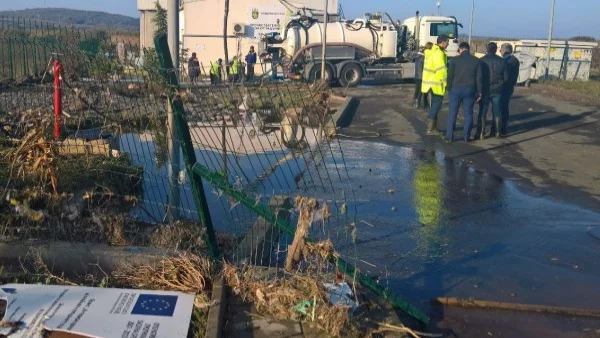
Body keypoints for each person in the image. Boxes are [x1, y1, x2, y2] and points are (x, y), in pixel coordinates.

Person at [444, 42, 483, 143]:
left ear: (460, 49)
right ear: (468, 49)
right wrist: (479, 93)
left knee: (452, 113)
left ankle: (449, 136)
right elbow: (479, 78)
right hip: (470, 90)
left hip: (455, 89)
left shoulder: (454, 60)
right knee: (468, 114)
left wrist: (449, 88)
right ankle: (466, 136)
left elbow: (450, 76)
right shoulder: (476, 61)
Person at [477, 42, 508, 139]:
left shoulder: (481, 61)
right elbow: (506, 77)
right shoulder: (502, 61)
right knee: (497, 111)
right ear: (495, 50)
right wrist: (501, 84)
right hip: (498, 90)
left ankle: (481, 133)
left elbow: (479, 77)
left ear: (487, 49)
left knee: (483, 111)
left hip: (485, 89)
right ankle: (497, 133)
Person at [422, 35, 449, 135]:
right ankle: (431, 129)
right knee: (436, 106)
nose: (448, 44)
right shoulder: (438, 53)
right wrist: (446, 83)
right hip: (437, 84)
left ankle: (433, 128)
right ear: (443, 42)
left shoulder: (431, 51)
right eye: (447, 42)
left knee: (434, 105)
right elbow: (441, 71)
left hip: (430, 83)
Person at [499, 43, 520, 136]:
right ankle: (504, 127)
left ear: (504, 51)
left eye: (501, 50)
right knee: (505, 107)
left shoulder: (505, 61)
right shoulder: (515, 60)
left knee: (501, 108)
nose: (500, 51)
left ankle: (501, 128)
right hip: (510, 86)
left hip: (504, 86)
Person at [413, 43, 433, 109]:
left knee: (417, 89)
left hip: (417, 75)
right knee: (421, 90)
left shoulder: (417, 56)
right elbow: (424, 67)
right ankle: (419, 103)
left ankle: (415, 102)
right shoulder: (423, 57)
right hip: (422, 76)